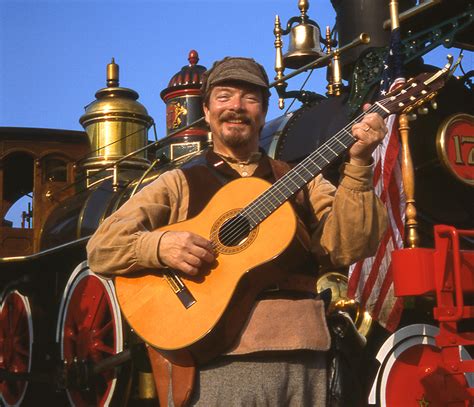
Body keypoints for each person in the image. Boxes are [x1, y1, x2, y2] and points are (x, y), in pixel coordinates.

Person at [87, 56, 388, 406]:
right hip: (219, 362)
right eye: (224, 96)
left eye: (250, 98)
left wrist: (360, 163)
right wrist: (159, 245)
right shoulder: (178, 182)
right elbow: (101, 248)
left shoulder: (301, 180)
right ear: (207, 110)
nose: (236, 107)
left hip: (305, 357)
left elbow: (350, 246)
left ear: (263, 111)